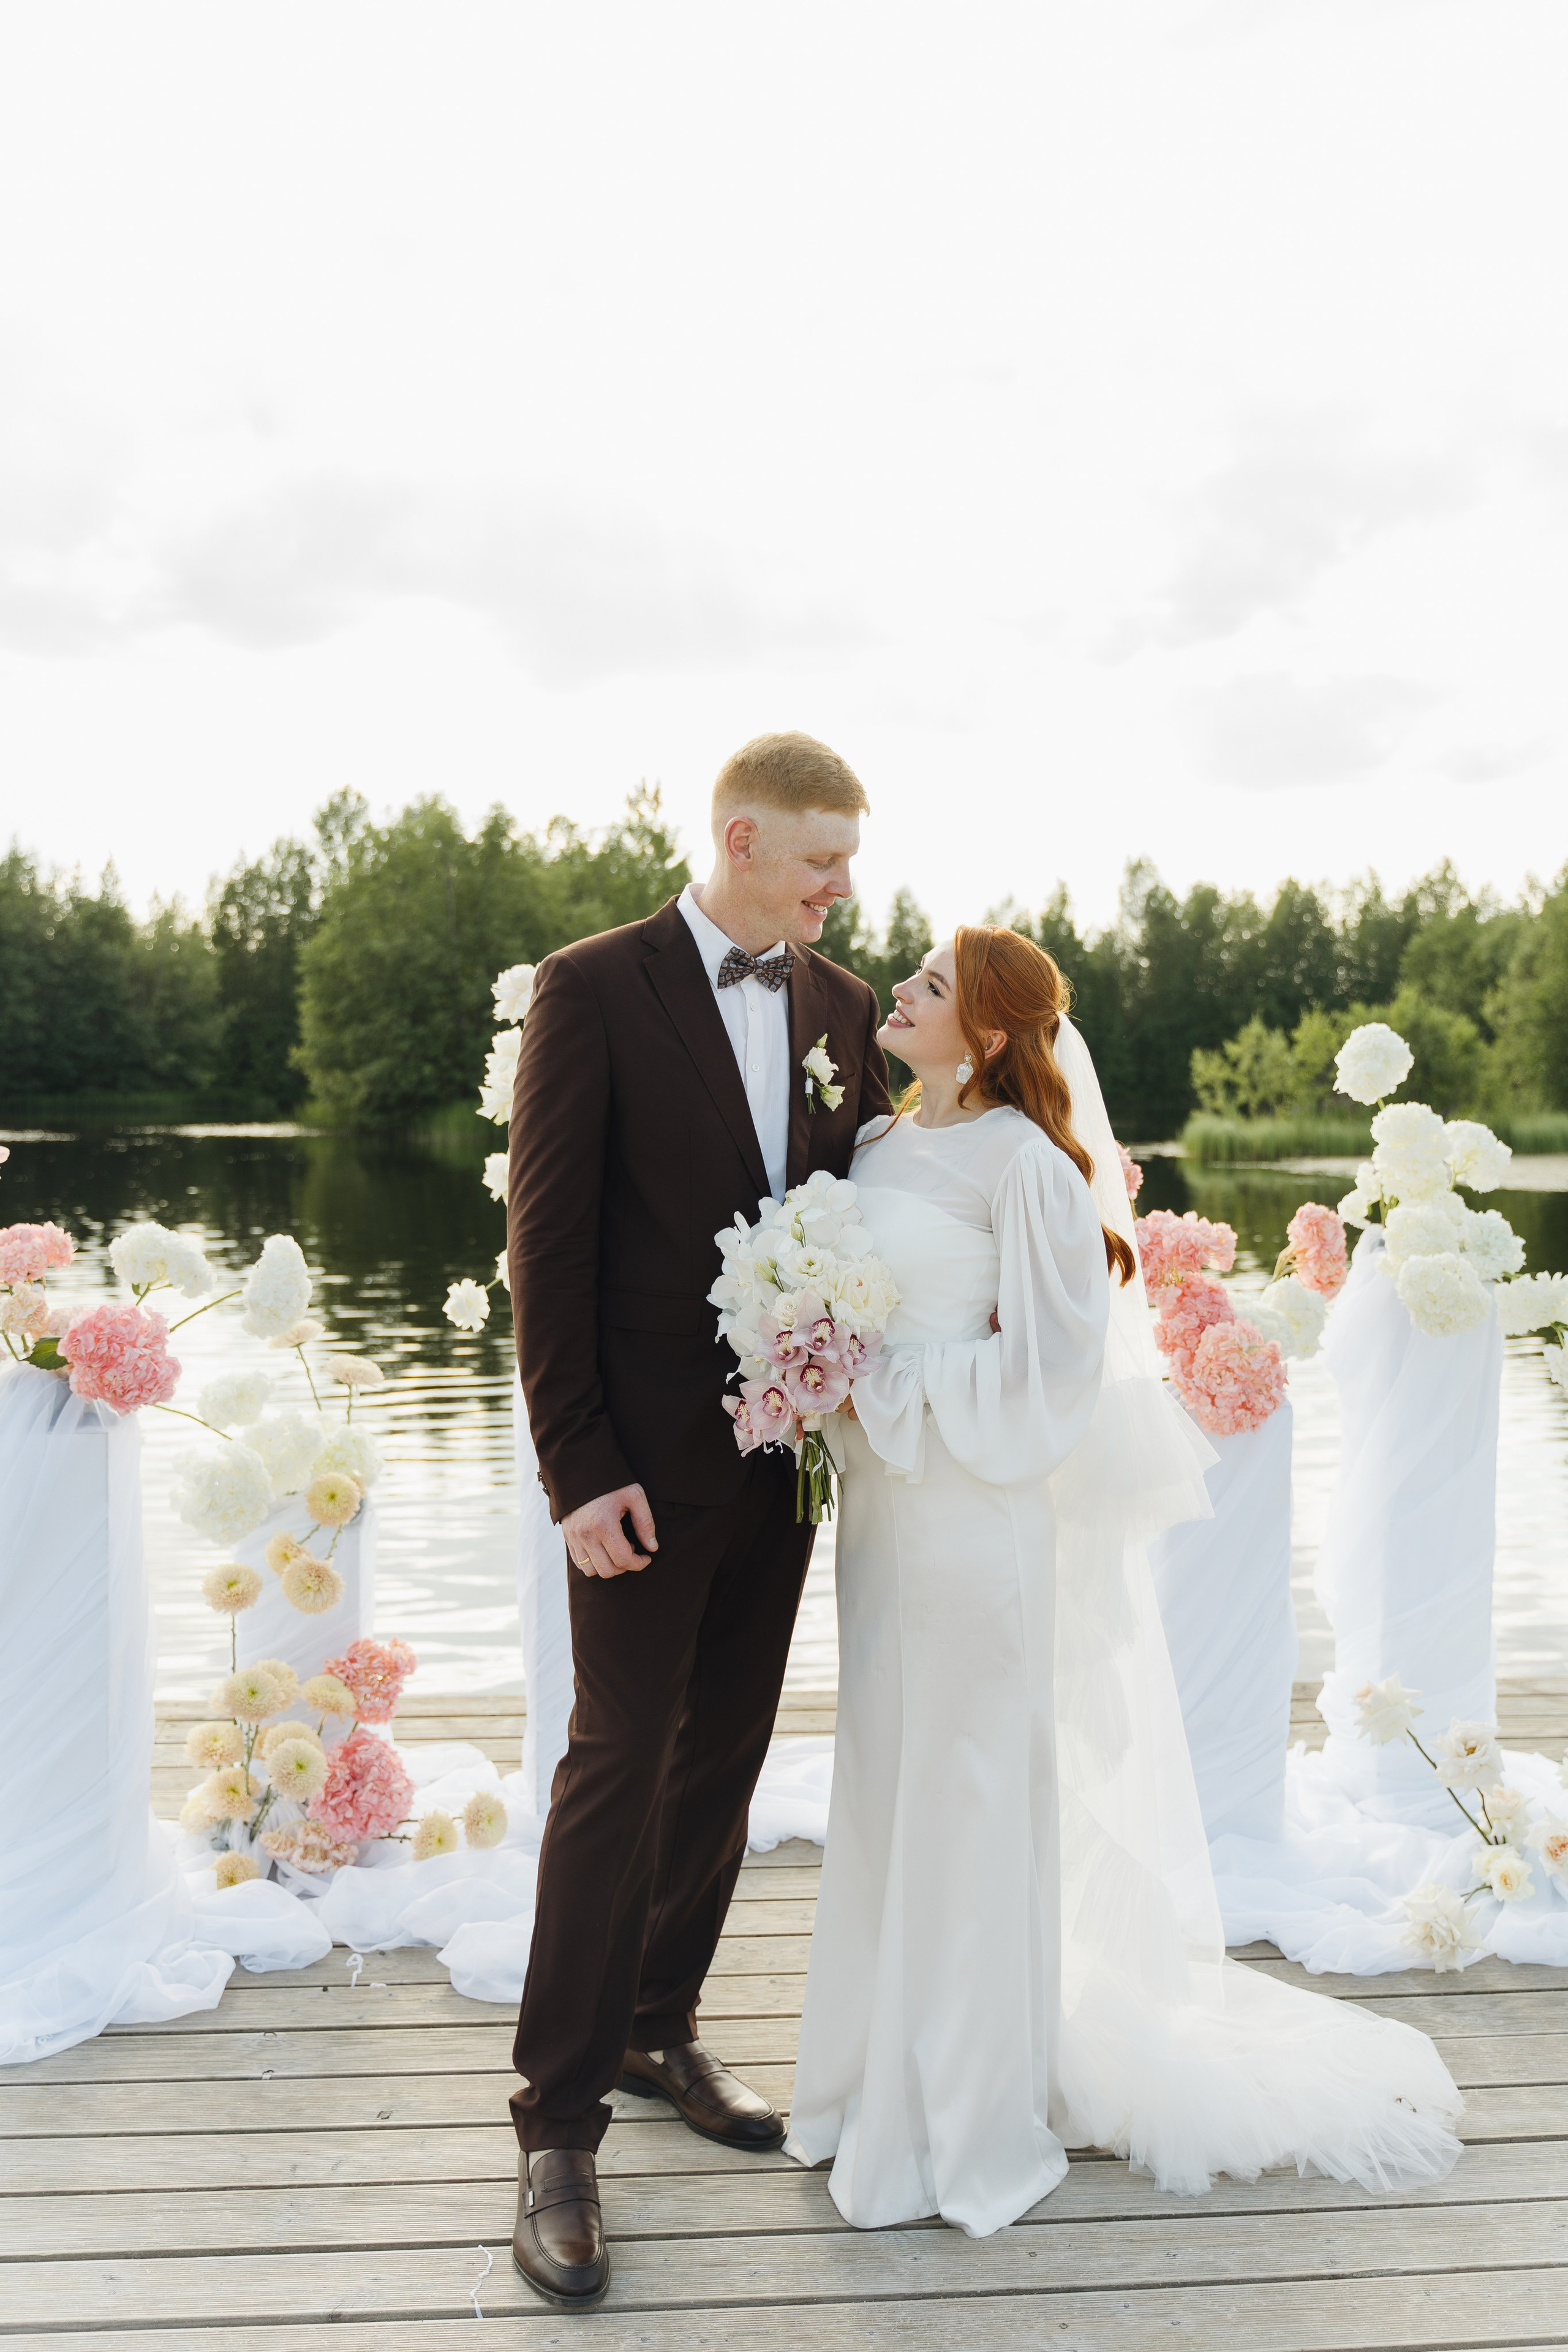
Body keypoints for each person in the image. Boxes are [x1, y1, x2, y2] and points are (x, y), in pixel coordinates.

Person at [785, 925, 1464, 2237]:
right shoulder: (869, 1147)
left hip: (973, 1522)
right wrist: (807, 1362)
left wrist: (876, 1384)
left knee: (969, 1796)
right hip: (880, 1519)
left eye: (930, 984)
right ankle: (872, 2080)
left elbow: (1051, 1368)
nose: (902, 991)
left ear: (984, 1031)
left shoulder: (1029, 1166)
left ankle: (967, 2113)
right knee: (885, 1780)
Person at [504, 730, 894, 2309]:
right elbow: (551, 1243)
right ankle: (556, 2125)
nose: (840, 887)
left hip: (782, 1463)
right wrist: (578, 1467)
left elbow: (864, 1208)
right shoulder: (592, 986)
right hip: (641, 1471)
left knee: (725, 1755)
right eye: (818, 861)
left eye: (846, 863)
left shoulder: (846, 1009)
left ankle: (664, 2025)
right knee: (615, 1761)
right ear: (740, 839)